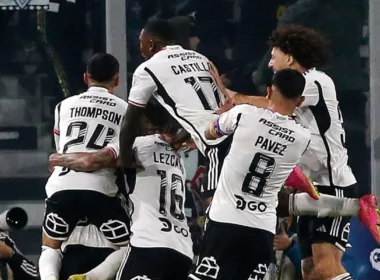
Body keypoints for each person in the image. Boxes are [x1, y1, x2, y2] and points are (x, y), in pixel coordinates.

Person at [212, 24, 379, 280]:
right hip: (311, 186)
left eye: (273, 56)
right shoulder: (297, 90)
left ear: (289, 58)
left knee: (326, 268)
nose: (269, 64)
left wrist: (235, 98)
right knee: (310, 270)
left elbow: (272, 104)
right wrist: (228, 96)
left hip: (333, 184)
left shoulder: (316, 81)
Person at [119, 18, 315, 211]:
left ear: (151, 44)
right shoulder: (200, 58)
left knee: (214, 203)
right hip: (239, 131)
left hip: (217, 140)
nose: (140, 48)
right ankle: (317, 202)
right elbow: (210, 104)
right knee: (251, 198)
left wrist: (127, 163)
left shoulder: (147, 69)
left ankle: (322, 205)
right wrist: (185, 135)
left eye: (141, 43)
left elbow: (130, 120)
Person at [50, 99, 194, 280]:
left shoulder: (137, 145)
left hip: (149, 244)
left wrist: (58, 159)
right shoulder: (178, 153)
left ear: (140, 120)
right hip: (183, 249)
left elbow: (90, 162)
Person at [188, 69, 311, 280]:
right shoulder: (302, 137)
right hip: (261, 229)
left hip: (225, 220)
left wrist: (221, 116)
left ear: (269, 91)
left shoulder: (244, 114)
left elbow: (209, 133)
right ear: (300, 101)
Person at [38, 53, 131, 280]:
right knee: (132, 246)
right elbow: (125, 159)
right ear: (117, 80)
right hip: (100, 189)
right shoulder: (127, 109)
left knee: (50, 247)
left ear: (85, 77)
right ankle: (90, 278)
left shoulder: (63, 106)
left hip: (63, 184)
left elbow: (63, 151)